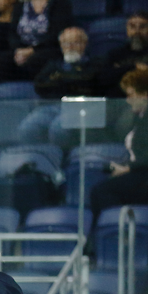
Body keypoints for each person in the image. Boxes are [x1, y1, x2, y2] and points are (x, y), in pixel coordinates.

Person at [17, 27, 100, 145]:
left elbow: (88, 82)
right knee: (27, 128)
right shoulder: (53, 65)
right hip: (51, 107)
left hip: (79, 108)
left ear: (84, 44)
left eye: (75, 42)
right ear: (61, 45)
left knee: (58, 129)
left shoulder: (94, 64)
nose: (70, 47)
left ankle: (62, 160)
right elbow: (40, 86)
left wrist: (59, 78)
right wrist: (71, 79)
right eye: (66, 43)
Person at [91, 69, 148, 221]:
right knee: (100, 187)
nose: (128, 100)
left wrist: (128, 168)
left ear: (145, 94)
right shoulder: (140, 118)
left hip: (144, 174)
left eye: (131, 94)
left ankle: (116, 232)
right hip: (140, 172)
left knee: (102, 191)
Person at [3, 0, 73, 82]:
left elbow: (56, 34)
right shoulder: (19, 6)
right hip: (22, 48)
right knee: (4, 59)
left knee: (36, 60)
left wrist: (33, 50)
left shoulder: (60, 4)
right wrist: (19, 50)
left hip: (48, 48)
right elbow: (12, 33)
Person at [99, 12, 148, 97]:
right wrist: (134, 67)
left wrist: (120, 69)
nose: (137, 31)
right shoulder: (115, 54)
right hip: (118, 102)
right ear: (127, 29)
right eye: (132, 26)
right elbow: (104, 79)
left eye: (142, 26)